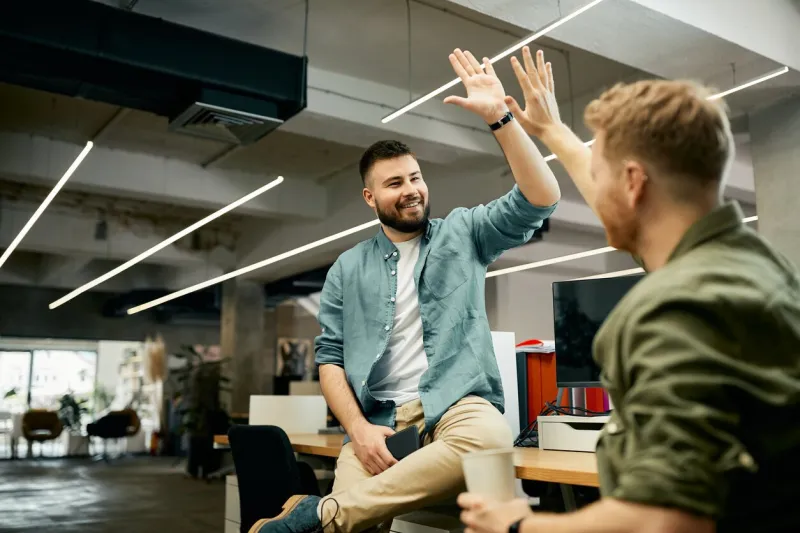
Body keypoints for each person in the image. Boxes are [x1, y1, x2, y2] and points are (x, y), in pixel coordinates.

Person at [458, 47, 800, 533]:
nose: (596, 194)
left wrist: (518, 526)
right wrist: (552, 131)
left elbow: (666, 519)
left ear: (634, 183)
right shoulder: (752, 265)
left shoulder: (678, 308)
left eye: (601, 178)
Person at [251, 48, 561, 533]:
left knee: (489, 441)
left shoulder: (464, 233)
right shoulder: (347, 269)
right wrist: (357, 429)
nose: (411, 189)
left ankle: (320, 512)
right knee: (357, 524)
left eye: (415, 177)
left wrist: (500, 118)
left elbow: (541, 198)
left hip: (459, 404)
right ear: (370, 198)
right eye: (394, 183)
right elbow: (329, 357)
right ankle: (332, 515)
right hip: (381, 421)